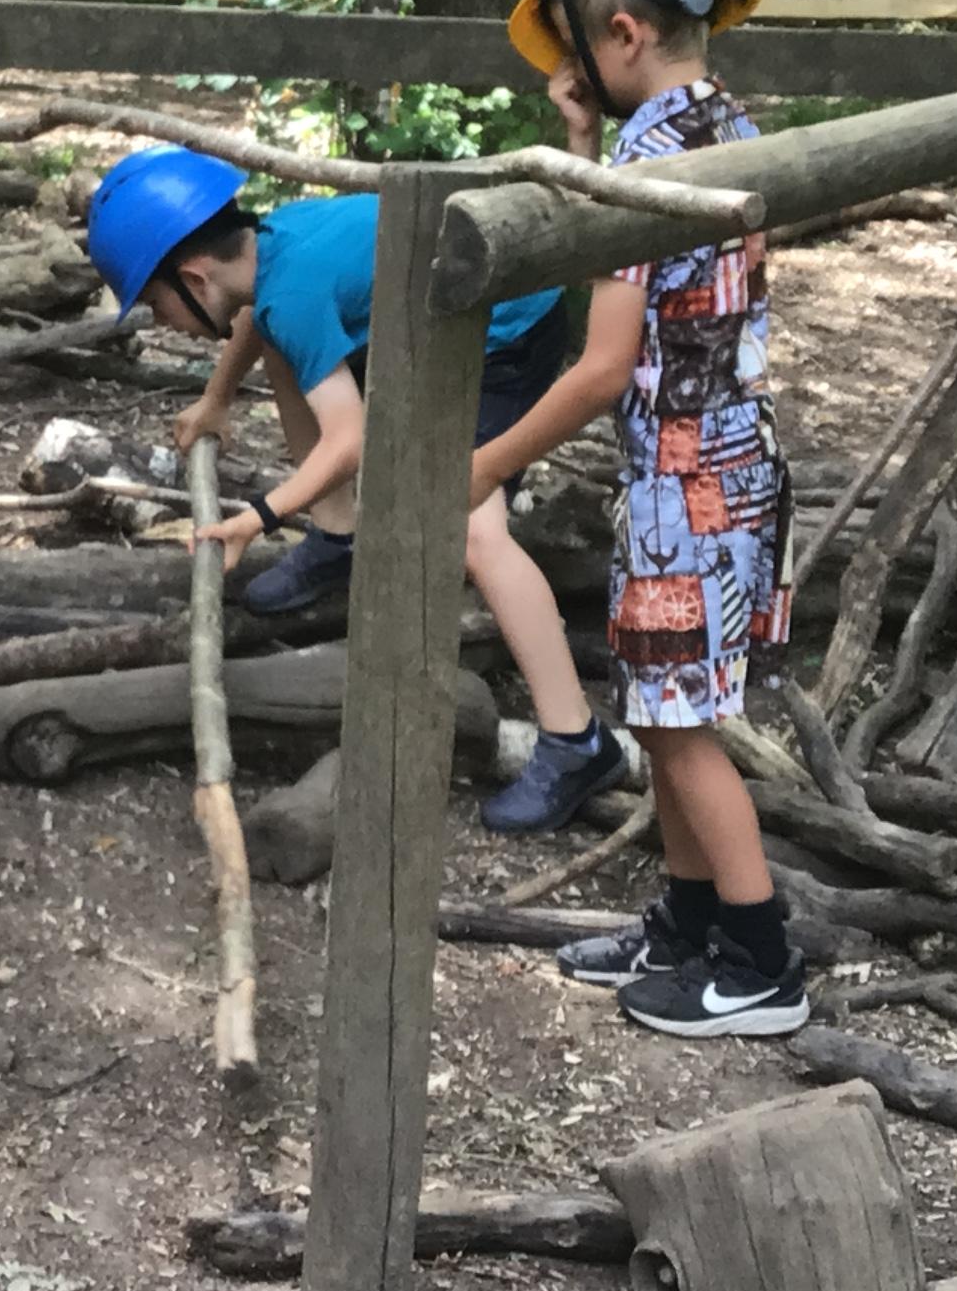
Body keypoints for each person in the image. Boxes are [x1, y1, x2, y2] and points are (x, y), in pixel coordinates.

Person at [470, 0, 804, 1039]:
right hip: (730, 463)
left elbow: (603, 365)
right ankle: (688, 921)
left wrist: (484, 465)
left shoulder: (650, 158)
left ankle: (759, 960)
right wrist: (582, 142)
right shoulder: (722, 126)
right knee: (665, 711)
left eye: (575, 45)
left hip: (684, 482)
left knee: (681, 729)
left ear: (619, 33)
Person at [84, 151, 631, 834]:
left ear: (193, 277)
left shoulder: (292, 293)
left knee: (471, 528)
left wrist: (258, 516)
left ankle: (578, 740)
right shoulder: (273, 245)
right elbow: (259, 320)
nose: (160, 319)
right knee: (283, 340)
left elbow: (349, 440)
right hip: (450, 311)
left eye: (153, 301)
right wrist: (217, 399)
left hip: (507, 334)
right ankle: (338, 536)